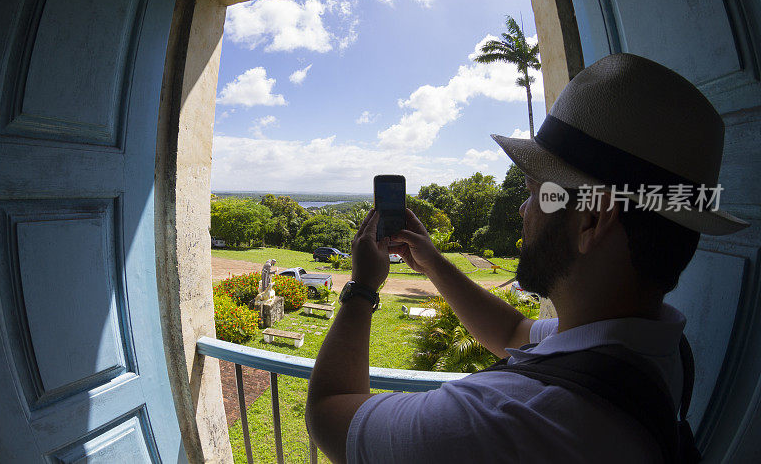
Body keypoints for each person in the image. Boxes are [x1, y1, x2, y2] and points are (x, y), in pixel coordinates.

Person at [304, 53, 749, 463]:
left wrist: (362, 289)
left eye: (537, 192)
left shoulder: (505, 420)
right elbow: (514, 332)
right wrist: (433, 263)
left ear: (592, 220)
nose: (523, 209)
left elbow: (328, 412)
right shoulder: (656, 348)